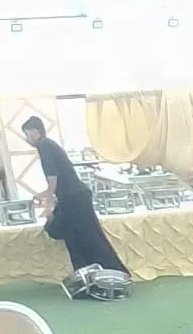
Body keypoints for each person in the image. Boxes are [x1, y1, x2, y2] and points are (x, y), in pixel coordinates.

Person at [20, 116, 128, 278]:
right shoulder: (49, 145)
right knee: (78, 239)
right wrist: (46, 194)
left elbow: (52, 178)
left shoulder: (44, 146)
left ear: (36, 132)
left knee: (86, 238)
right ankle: (89, 275)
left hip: (74, 199)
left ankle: (114, 274)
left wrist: (48, 204)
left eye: (27, 134)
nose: (26, 139)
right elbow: (57, 180)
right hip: (73, 196)